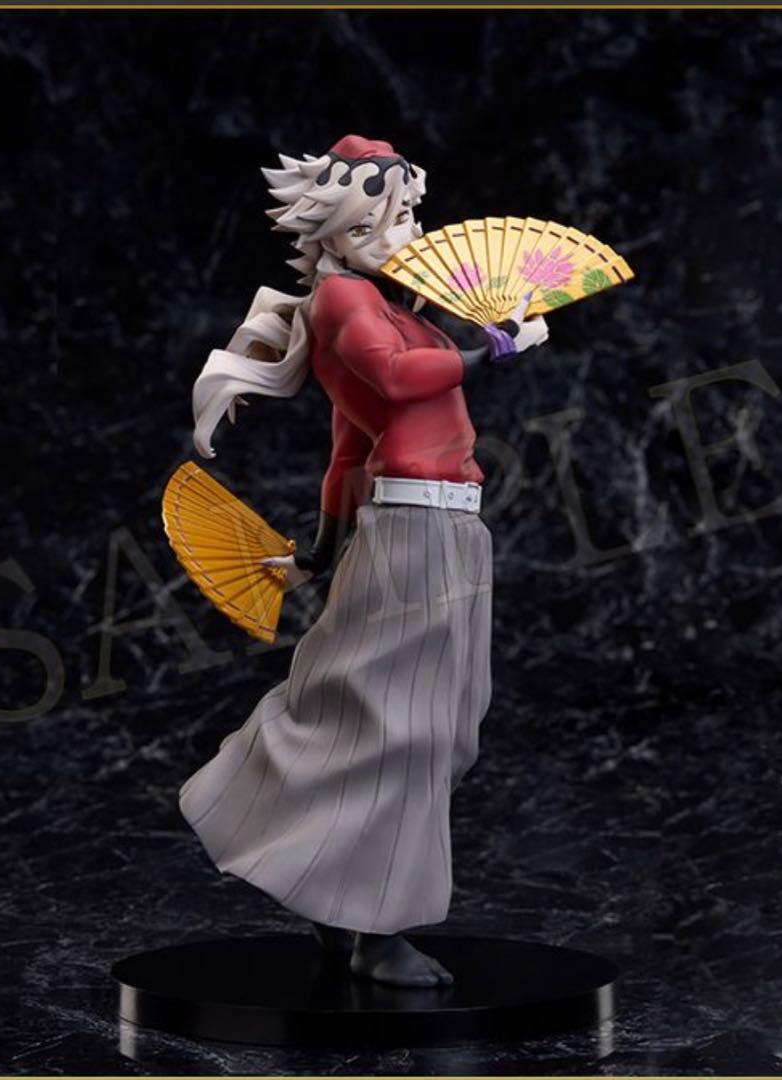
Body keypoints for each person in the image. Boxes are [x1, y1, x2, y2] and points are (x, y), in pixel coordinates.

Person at [179, 135, 548, 988]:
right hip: (417, 531)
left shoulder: (382, 305)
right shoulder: (345, 301)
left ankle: (330, 888)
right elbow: (397, 379)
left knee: (432, 721)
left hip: (437, 528)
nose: (402, 233)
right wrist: (496, 348)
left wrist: (323, 547)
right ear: (337, 229)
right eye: (380, 220)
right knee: (407, 726)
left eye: (409, 215)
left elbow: (348, 449)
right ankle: (377, 929)